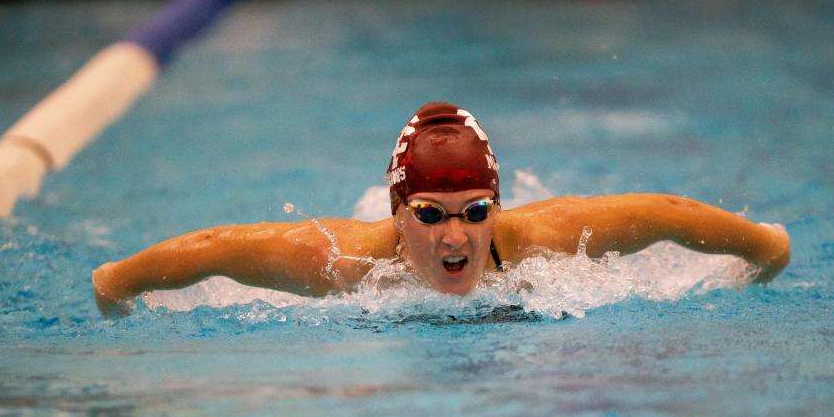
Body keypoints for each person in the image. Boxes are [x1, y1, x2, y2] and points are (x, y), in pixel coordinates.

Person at [92, 101, 790, 316]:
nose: (456, 235)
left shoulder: (539, 239)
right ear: (399, 215)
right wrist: (117, 284)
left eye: (475, 209)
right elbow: (216, 247)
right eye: (430, 213)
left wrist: (765, 249)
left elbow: (663, 211)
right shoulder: (343, 260)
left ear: (497, 204)